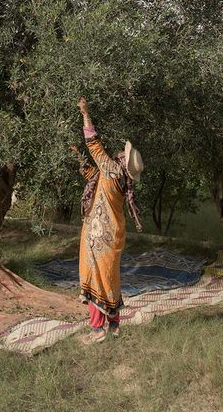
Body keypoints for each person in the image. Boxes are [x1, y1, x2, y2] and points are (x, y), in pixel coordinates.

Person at [71, 96, 143, 344]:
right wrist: (78, 159)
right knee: (110, 278)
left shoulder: (111, 169)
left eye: (122, 154)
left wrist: (85, 113)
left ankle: (97, 330)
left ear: (122, 163)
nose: (120, 153)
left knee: (95, 279)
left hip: (98, 236)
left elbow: (94, 144)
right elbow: (94, 176)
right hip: (113, 234)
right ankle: (115, 326)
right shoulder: (120, 180)